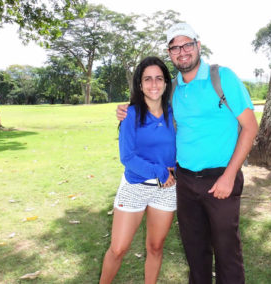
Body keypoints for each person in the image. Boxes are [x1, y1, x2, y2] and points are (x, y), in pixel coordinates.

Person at [117, 23, 259, 284]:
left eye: (187, 45)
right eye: (175, 47)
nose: (182, 52)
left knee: (227, 253)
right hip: (185, 181)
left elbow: (250, 127)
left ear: (198, 46)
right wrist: (127, 110)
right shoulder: (173, 90)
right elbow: (150, 110)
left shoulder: (222, 77)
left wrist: (230, 175)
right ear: (170, 53)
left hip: (220, 178)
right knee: (195, 254)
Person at [100, 56, 177, 284]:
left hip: (166, 190)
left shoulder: (174, 113)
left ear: (166, 83)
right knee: (118, 249)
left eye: (159, 79)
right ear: (140, 84)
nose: (154, 84)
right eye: (148, 79)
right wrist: (162, 172)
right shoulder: (131, 114)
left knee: (155, 247)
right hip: (135, 186)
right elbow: (128, 157)